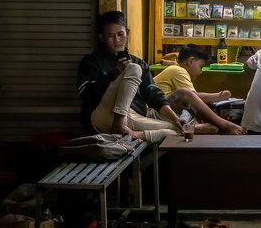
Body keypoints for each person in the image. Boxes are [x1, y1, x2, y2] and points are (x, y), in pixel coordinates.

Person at [77, 10, 183, 143]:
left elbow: (154, 95)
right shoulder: (92, 62)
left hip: (132, 115)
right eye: (110, 36)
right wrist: (113, 75)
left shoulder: (139, 62)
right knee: (133, 68)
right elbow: (85, 94)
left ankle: (135, 135)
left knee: (177, 129)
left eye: (120, 34)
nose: (117, 40)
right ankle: (119, 124)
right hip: (102, 114)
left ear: (127, 32)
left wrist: (175, 118)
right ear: (102, 37)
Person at [153, 44, 245, 135]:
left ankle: (196, 128)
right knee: (185, 94)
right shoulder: (178, 70)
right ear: (190, 61)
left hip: (165, 112)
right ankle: (225, 125)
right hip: (156, 111)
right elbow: (191, 96)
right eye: (201, 67)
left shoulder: (177, 70)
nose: (201, 72)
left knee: (205, 119)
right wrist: (220, 96)